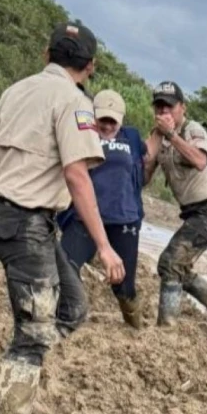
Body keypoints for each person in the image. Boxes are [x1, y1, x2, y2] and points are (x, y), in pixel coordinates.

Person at [0, 21, 125, 414]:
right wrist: (105, 247)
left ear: (46, 54)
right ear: (90, 66)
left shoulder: (17, 90)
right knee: (35, 332)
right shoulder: (74, 102)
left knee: (73, 305)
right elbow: (77, 174)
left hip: (9, 219)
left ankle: (15, 373)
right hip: (26, 225)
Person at [143, 81, 207, 330]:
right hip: (192, 215)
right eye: (159, 107)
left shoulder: (192, 129)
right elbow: (144, 177)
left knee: (169, 262)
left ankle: (167, 326)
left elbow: (199, 160)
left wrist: (171, 135)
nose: (164, 112)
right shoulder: (159, 136)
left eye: (169, 106)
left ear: (182, 108)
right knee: (177, 266)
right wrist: (152, 145)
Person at [58, 89, 148, 329]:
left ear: (121, 120)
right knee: (64, 265)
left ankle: (135, 327)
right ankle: (66, 317)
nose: (107, 126)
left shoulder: (131, 137)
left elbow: (146, 163)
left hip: (124, 220)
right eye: (102, 120)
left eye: (112, 121)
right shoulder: (81, 133)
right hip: (85, 217)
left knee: (123, 287)